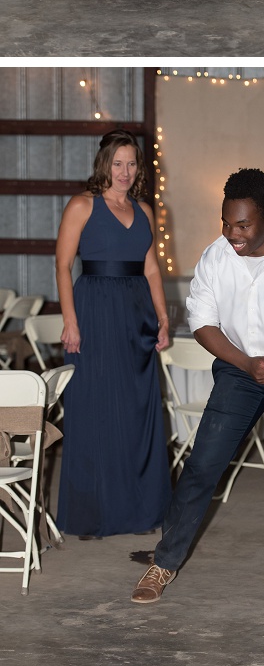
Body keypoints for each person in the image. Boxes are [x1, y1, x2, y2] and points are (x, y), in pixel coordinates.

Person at [131, 168, 264, 606]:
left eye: (243, 225)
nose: (233, 234)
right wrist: (245, 362)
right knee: (202, 465)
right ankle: (164, 561)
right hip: (238, 367)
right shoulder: (215, 258)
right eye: (226, 223)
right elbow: (203, 324)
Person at [54, 130, 171, 539]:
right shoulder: (82, 205)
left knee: (138, 412)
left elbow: (152, 268)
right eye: (118, 163)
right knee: (95, 410)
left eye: (132, 163)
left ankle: (139, 510)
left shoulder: (144, 210)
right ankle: (93, 514)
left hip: (136, 314)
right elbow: (63, 266)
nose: (125, 171)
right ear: (104, 163)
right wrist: (70, 320)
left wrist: (162, 316)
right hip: (95, 312)